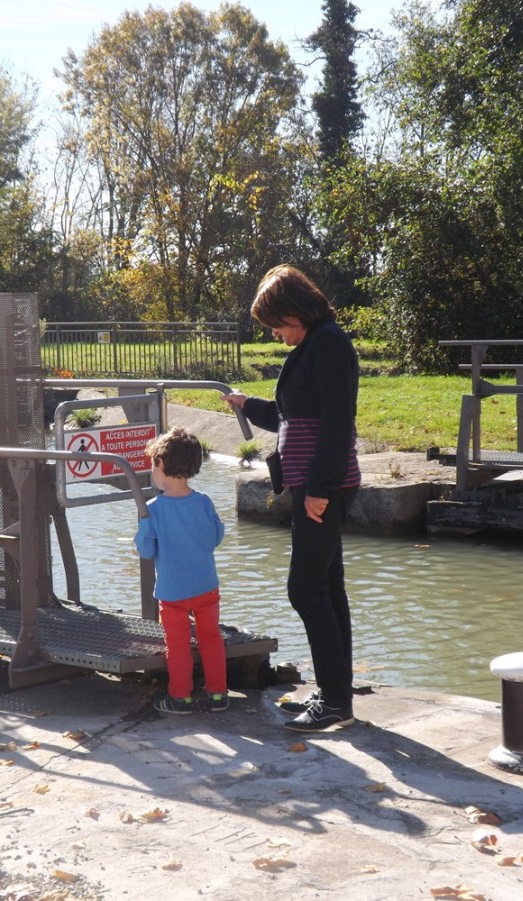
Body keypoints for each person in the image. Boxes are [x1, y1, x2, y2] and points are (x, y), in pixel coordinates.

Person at [224, 264, 361, 733]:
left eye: (277, 324)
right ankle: (335, 692)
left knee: (305, 589)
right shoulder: (314, 344)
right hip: (316, 483)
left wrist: (320, 491)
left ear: (294, 311)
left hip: (324, 486)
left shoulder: (327, 343)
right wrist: (247, 405)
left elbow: (338, 421)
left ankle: (336, 701)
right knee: (328, 587)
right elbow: (292, 415)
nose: (276, 333)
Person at [134, 426, 228, 715]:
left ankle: (180, 697)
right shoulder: (203, 502)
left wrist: (141, 528)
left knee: (177, 645)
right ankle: (218, 695)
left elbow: (146, 551)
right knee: (211, 639)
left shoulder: (153, 509)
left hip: (173, 592)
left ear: (160, 464)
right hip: (206, 587)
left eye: (152, 465)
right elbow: (216, 537)